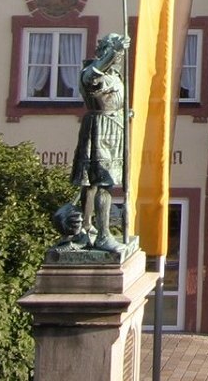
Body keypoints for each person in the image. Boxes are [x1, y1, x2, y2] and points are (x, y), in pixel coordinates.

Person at [71, 32, 130, 255]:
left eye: (120, 54)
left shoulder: (115, 75)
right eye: (115, 53)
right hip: (100, 129)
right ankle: (103, 235)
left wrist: (125, 113)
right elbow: (91, 80)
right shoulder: (92, 71)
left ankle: (88, 227)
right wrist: (113, 52)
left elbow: (113, 101)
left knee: (93, 182)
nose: (119, 57)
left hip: (114, 128)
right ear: (104, 51)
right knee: (102, 181)